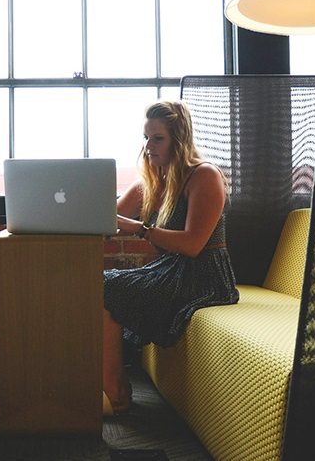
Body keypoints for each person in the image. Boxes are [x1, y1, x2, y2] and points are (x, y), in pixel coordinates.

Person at [102, 100, 239, 414]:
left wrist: (141, 229)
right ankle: (111, 383)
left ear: (179, 140)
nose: (148, 146)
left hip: (204, 275)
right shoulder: (152, 182)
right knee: (100, 283)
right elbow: (106, 218)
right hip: (169, 269)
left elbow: (193, 245)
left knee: (108, 287)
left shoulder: (204, 176)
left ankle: (115, 390)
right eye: (146, 138)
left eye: (157, 138)